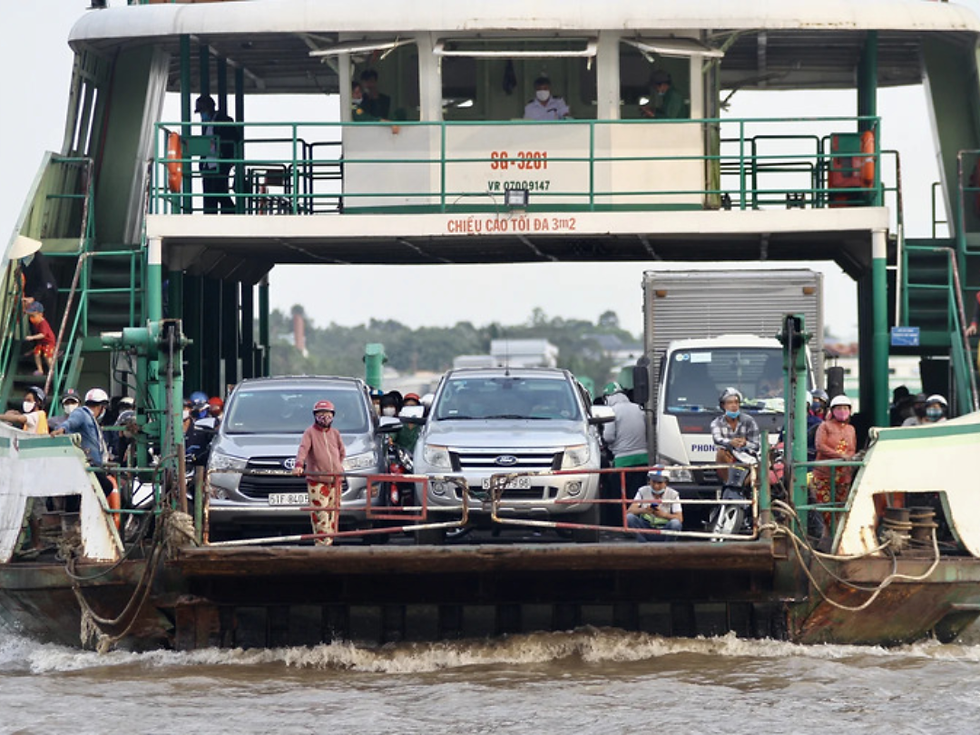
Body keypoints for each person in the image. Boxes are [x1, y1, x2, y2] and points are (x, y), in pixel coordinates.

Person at [292, 400, 347, 546]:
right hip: (317, 480)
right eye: (321, 414)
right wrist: (299, 465)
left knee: (333, 514)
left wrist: (337, 467)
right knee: (320, 514)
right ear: (315, 416)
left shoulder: (335, 433)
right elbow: (303, 450)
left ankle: (328, 542)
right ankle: (323, 544)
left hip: (335, 480)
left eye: (328, 414)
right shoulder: (309, 433)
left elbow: (342, 452)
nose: (324, 417)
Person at [51, 387, 114, 497]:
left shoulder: (91, 419)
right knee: (106, 486)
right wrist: (62, 429)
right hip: (86, 464)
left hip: (92, 464)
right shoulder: (82, 413)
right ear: (101, 407)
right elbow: (71, 422)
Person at [813, 394, 858, 532]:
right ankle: (830, 534)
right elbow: (820, 446)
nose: (842, 411)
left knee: (841, 506)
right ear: (832, 411)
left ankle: (836, 536)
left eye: (845, 408)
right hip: (824, 474)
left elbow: (852, 448)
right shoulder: (824, 426)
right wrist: (839, 456)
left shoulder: (851, 429)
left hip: (843, 475)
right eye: (839, 408)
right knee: (825, 508)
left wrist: (848, 457)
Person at [195, 95, 241, 214]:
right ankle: (212, 218)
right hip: (208, 166)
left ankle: (231, 214)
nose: (202, 115)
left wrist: (228, 158)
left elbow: (235, 139)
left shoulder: (225, 120)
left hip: (220, 163)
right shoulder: (208, 125)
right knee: (210, 194)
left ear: (209, 109)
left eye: (202, 111)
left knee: (219, 191)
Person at [601, 382, 649, 495]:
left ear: (608, 397)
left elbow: (608, 437)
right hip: (643, 459)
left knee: (621, 496)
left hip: (622, 460)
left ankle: (623, 513)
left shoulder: (612, 411)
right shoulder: (638, 408)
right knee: (638, 495)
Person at [710, 387, 761, 484]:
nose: (734, 405)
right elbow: (717, 439)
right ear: (723, 405)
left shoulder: (749, 421)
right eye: (730, 403)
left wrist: (745, 443)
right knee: (721, 453)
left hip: (747, 458)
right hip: (729, 458)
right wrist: (731, 442)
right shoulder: (716, 423)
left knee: (764, 465)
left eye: (736, 402)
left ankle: (742, 486)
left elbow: (756, 445)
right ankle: (729, 484)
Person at [626, 467, 684, 542]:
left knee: (675, 523)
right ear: (649, 481)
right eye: (653, 482)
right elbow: (630, 511)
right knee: (629, 517)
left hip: (664, 529)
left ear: (666, 483)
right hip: (645, 528)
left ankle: (667, 547)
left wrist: (662, 514)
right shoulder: (642, 491)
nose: (656, 486)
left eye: (659, 483)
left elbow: (679, 518)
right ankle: (643, 545)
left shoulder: (673, 494)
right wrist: (644, 510)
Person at [20, 250, 58, 320]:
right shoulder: (25, 261)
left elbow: (44, 283)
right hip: (34, 291)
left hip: (45, 294)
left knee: (44, 320)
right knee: (33, 321)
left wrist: (33, 298)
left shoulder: (39, 262)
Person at [24, 301, 55, 376]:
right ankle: (40, 370)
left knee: (47, 355)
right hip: (40, 342)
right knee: (36, 353)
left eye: (33, 315)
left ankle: (51, 370)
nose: (32, 318)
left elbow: (42, 335)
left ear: (40, 314)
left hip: (48, 342)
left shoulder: (43, 323)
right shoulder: (36, 322)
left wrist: (32, 337)